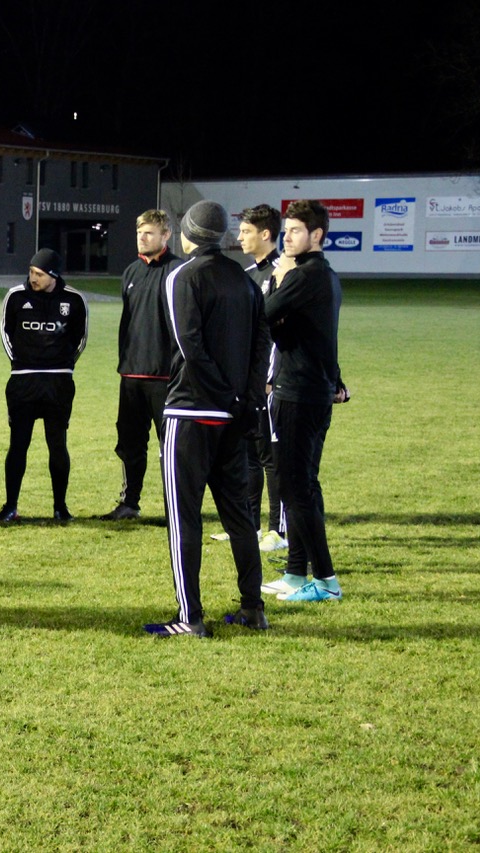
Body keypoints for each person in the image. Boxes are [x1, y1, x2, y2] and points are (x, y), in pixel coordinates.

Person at [144, 200, 270, 638]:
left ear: (189, 233)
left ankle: (190, 617)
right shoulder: (246, 279)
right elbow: (262, 344)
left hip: (191, 411)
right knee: (240, 519)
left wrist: (225, 395)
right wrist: (246, 400)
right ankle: (253, 608)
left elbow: (189, 345)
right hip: (233, 416)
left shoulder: (181, 276)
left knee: (184, 518)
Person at [260, 199, 347, 603]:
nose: (287, 238)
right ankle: (296, 573)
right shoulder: (323, 275)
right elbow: (312, 333)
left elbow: (262, 314)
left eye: (295, 231)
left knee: (297, 488)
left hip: (297, 393)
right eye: (286, 231)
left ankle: (326, 581)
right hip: (309, 390)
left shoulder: (303, 275)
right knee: (301, 486)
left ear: (317, 236)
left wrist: (278, 279)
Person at [0, 249, 88, 523]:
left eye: (39, 275)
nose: (33, 278)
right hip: (23, 381)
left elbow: (80, 338)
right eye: (32, 272)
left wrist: (63, 366)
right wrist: (21, 365)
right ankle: (10, 506)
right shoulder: (16, 297)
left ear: (54, 276)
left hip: (58, 383)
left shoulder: (74, 300)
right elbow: (5, 333)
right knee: (18, 445)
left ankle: (60, 507)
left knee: (57, 445)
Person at [99, 210, 178, 522]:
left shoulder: (177, 272)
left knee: (170, 447)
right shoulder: (131, 272)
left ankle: (176, 507)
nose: (142, 238)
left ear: (166, 236)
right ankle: (129, 503)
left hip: (165, 376)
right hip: (131, 375)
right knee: (130, 444)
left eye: (149, 233)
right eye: (140, 232)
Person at [237, 204, 287, 552]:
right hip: (246, 381)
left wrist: (269, 378)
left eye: (246, 231)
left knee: (272, 457)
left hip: (269, 382)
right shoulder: (247, 273)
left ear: (265, 234)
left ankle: (278, 530)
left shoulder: (282, 272)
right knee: (249, 454)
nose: (240, 237)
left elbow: (278, 332)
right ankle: (251, 526)